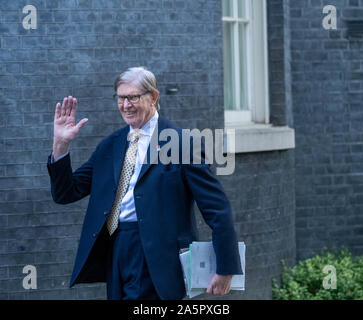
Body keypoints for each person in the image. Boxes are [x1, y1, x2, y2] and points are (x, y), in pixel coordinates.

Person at [47, 66, 242, 300]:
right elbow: (66, 193)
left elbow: (217, 209)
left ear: (154, 97)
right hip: (116, 248)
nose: (126, 105)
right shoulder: (110, 145)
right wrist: (61, 145)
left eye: (133, 97)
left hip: (158, 256)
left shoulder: (182, 144)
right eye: (121, 98)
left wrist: (226, 267)